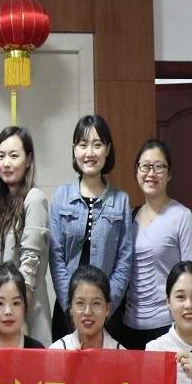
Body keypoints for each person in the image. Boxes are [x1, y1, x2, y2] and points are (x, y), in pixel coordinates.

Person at [48, 114, 133, 340]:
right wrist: (70, 305)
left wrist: (105, 305)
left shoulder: (121, 201)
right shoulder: (61, 196)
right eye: (83, 145)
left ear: (107, 149)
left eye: (97, 145)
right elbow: (56, 257)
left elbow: (124, 261)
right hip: (67, 311)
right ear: (74, 149)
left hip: (108, 313)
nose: (90, 153)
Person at [121, 139, 192, 350]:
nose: (151, 173)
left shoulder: (182, 217)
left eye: (159, 167)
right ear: (137, 171)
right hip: (130, 325)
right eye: (145, 166)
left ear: (169, 174)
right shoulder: (129, 217)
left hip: (168, 324)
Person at [0, 125, 51, 345]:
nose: (6, 163)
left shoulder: (34, 198)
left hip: (27, 312)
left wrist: (20, 314)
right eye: (1, 156)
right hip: (2, 313)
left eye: (14, 156)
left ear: (29, 160)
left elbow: (30, 265)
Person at [49, 264, 124, 351]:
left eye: (96, 303)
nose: (87, 312)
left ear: (107, 309)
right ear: (70, 308)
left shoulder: (121, 354)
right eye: (80, 303)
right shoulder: (56, 351)